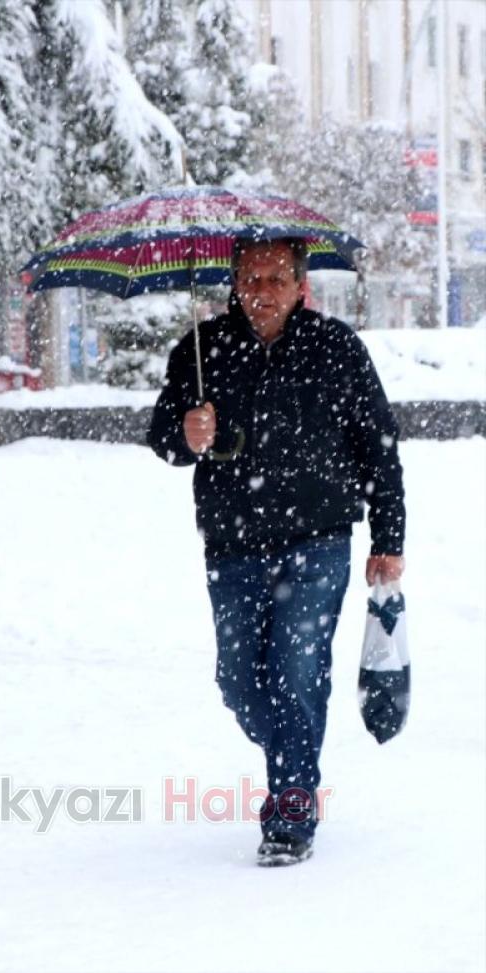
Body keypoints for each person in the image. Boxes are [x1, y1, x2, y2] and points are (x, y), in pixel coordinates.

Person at [148, 238, 405, 868]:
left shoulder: (336, 347)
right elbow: (163, 437)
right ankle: (294, 754)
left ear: (299, 287)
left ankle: (291, 814)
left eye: (274, 279)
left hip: (318, 540)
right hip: (232, 546)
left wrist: (389, 538)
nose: (260, 291)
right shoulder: (202, 350)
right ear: (234, 283)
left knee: (296, 670)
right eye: (250, 279)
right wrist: (187, 433)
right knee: (238, 682)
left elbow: (377, 442)